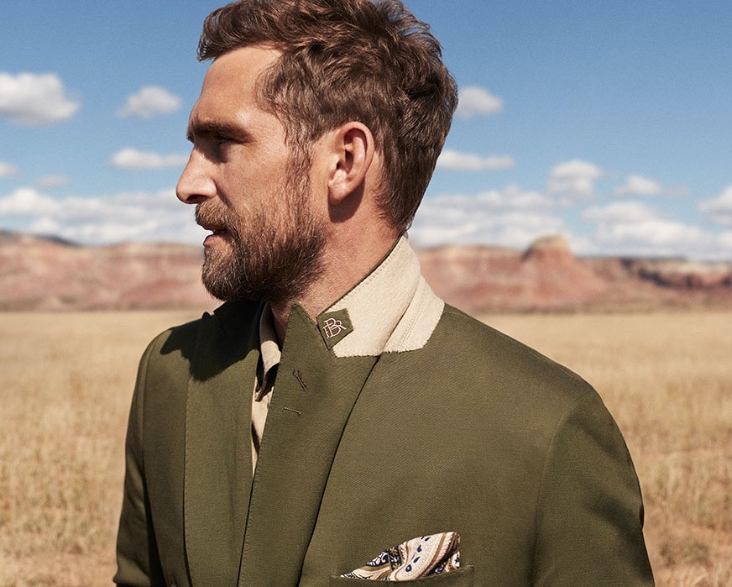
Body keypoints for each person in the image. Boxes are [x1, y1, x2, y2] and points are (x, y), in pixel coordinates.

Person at [114, 1, 654, 585]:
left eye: (222, 143)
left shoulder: (545, 426)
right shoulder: (171, 376)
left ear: (344, 161)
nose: (187, 184)